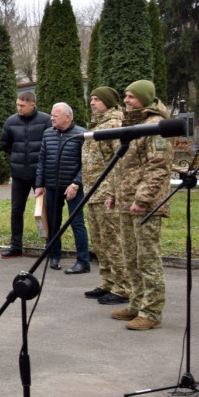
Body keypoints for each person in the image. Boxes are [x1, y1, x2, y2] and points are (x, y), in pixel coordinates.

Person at [108, 80, 173, 331]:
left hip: (146, 205)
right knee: (130, 257)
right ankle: (136, 304)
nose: (126, 100)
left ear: (145, 99)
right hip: (126, 202)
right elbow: (122, 165)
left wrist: (142, 199)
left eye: (131, 97)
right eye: (125, 96)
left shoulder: (156, 127)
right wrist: (114, 193)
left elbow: (158, 167)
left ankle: (152, 311)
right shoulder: (132, 125)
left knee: (147, 258)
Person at [81, 87, 129, 305]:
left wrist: (113, 191)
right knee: (99, 242)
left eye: (97, 99)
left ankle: (123, 287)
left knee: (113, 241)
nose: (92, 102)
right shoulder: (98, 125)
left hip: (107, 194)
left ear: (108, 102)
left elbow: (120, 161)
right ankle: (108, 281)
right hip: (92, 192)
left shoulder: (114, 125)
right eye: (91, 98)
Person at [35, 102, 90, 273]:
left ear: (68, 117)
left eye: (55, 116)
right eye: (51, 115)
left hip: (73, 187)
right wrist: (39, 184)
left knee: (77, 223)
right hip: (52, 187)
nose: (51, 118)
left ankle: (83, 261)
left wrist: (76, 184)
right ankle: (54, 255)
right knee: (52, 223)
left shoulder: (81, 134)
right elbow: (42, 160)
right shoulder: (48, 134)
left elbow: (86, 164)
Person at [0, 91, 51, 258]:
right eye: (17, 105)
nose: (19, 108)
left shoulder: (45, 120)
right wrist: (18, 158)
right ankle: (16, 246)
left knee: (46, 211)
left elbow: (50, 144)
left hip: (40, 174)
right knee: (16, 210)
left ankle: (51, 245)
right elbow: (5, 144)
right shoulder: (11, 121)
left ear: (32, 105)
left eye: (22, 105)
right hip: (19, 173)